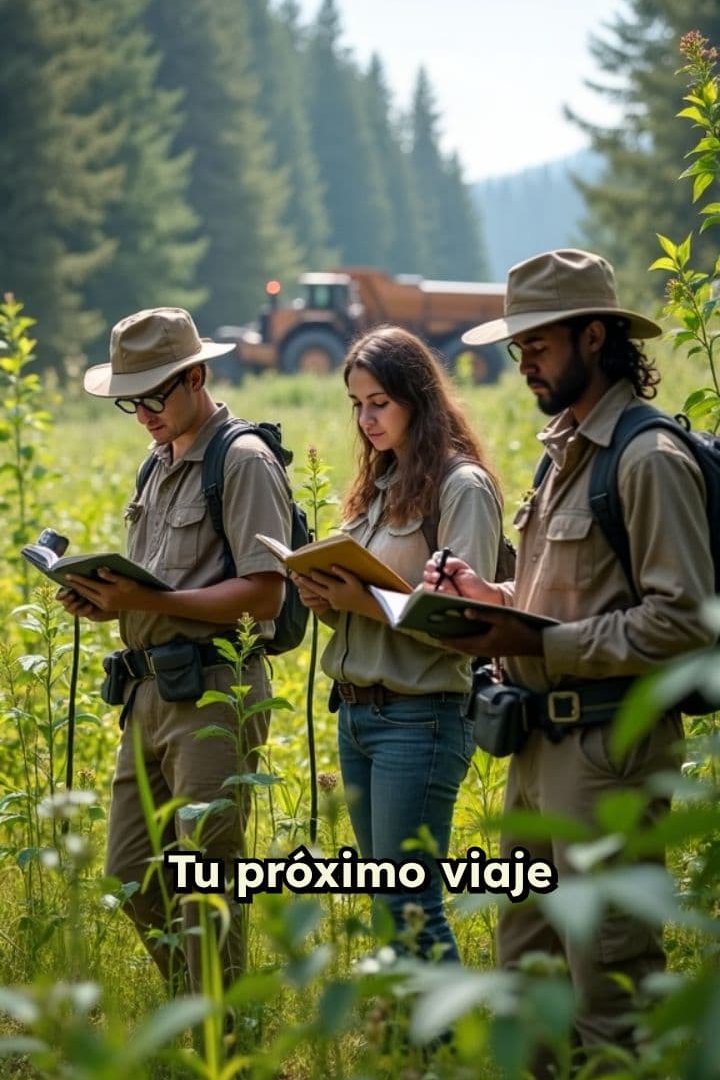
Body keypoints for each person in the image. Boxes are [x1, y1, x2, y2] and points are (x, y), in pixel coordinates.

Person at [423, 250, 715, 1080]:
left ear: (598, 335)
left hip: (608, 754)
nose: (524, 367)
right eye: (517, 351)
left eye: (539, 347)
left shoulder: (647, 457)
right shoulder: (564, 453)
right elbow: (567, 591)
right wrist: (490, 595)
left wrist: (535, 645)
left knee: (608, 984)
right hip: (534, 747)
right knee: (530, 979)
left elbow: (683, 620)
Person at [57, 307, 292, 992]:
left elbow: (265, 595)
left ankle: (226, 1045)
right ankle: (199, 1007)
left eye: (155, 396)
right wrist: (105, 603)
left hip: (215, 693)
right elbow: (157, 586)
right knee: (131, 874)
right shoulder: (154, 464)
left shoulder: (241, 460)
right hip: (148, 693)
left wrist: (146, 604)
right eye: (131, 401)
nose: (144, 414)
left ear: (197, 376)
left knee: (206, 877)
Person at [292, 325, 503, 961]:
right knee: (385, 897)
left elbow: (466, 620)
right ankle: (409, 1052)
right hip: (356, 714)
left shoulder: (460, 487)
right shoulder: (382, 485)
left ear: (418, 397)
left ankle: (441, 1052)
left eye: (379, 402)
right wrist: (328, 600)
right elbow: (369, 607)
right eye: (357, 405)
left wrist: (364, 602)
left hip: (421, 716)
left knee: (409, 904)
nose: (366, 419)